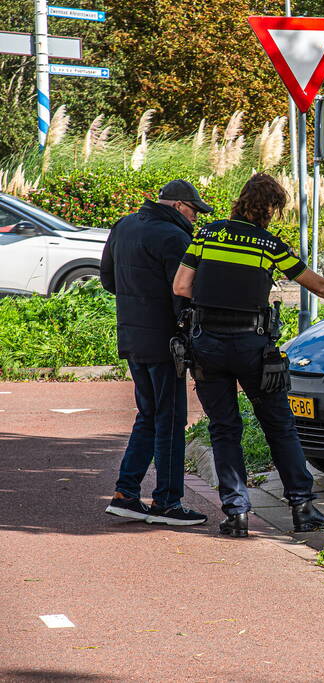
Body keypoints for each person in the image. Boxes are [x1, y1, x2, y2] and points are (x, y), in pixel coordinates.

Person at [172, 173, 324, 538]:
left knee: (223, 429)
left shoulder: (207, 234)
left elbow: (181, 286)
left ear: (240, 200)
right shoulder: (269, 245)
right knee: (280, 426)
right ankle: (303, 507)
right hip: (252, 346)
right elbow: (315, 282)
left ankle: (236, 512)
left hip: (206, 346)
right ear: (270, 208)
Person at [100, 179, 212, 526]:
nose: (196, 219)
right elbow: (184, 294)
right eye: (194, 211)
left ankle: (126, 493)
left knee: (148, 414)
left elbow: (108, 280)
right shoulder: (174, 237)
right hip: (166, 342)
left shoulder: (125, 225)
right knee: (171, 419)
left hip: (132, 337)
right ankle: (167, 501)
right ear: (179, 205)